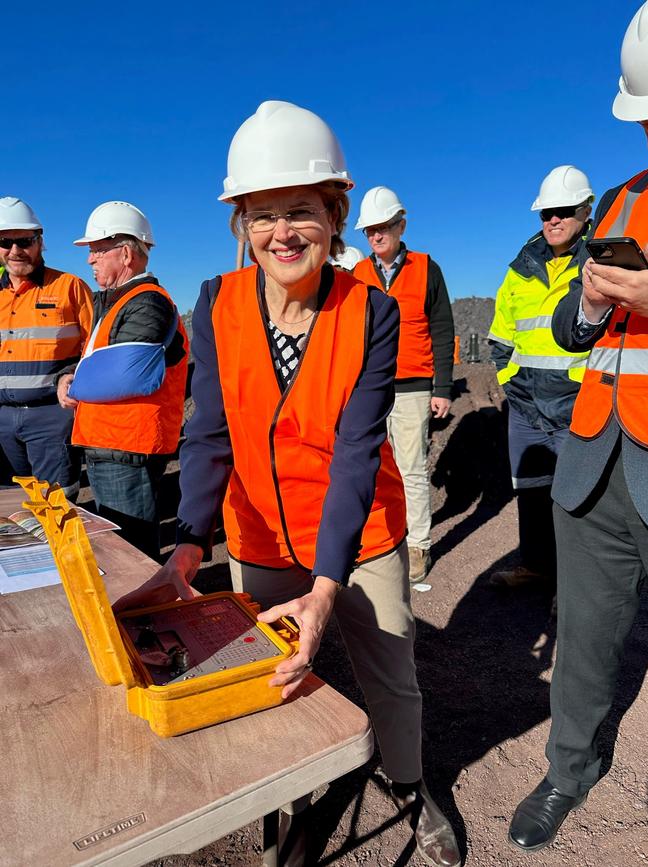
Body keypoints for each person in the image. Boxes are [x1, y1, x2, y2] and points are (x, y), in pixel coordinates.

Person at [114, 101, 461, 867]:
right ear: (241, 222)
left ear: (334, 214)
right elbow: (210, 433)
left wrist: (330, 583)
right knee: (277, 678)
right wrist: (185, 548)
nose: (282, 232)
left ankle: (409, 784)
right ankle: (290, 799)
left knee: (391, 678)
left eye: (300, 210)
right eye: (263, 214)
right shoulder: (218, 301)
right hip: (260, 532)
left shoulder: (369, 310)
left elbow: (356, 452)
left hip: (359, 533)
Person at [509, 1, 648, 852]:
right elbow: (566, 330)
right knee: (587, 640)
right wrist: (591, 305)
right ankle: (569, 767)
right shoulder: (625, 202)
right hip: (596, 457)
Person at [57, 201, 188, 561]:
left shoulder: (148, 303)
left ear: (126, 253)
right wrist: (71, 376)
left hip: (126, 448)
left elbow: (128, 374)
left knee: (132, 555)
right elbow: (97, 365)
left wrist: (75, 384)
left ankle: (146, 617)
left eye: (97, 250)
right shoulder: (119, 302)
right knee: (117, 550)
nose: (89, 260)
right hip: (111, 445)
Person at [487, 167, 593, 589]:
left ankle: (574, 588)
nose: (553, 220)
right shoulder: (521, 267)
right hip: (526, 408)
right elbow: (501, 336)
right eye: (546, 212)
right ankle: (536, 566)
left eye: (564, 211)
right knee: (530, 491)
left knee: (577, 502)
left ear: (586, 211)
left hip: (576, 407)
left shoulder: (598, 261)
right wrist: (513, 384)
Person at [353, 187, 455, 583]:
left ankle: (418, 546)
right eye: (369, 231)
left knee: (411, 469)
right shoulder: (358, 275)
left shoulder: (427, 268)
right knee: (371, 466)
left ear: (401, 225)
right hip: (370, 388)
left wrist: (442, 388)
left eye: (383, 228)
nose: (376, 236)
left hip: (414, 386)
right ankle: (380, 539)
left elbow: (443, 328)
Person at [0, 197, 93, 498]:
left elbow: (96, 349)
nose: (15, 251)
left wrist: (70, 376)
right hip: (2, 421)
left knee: (57, 507)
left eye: (24, 241)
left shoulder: (69, 287)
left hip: (52, 419)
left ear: (40, 241)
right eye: (5, 242)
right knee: (10, 510)